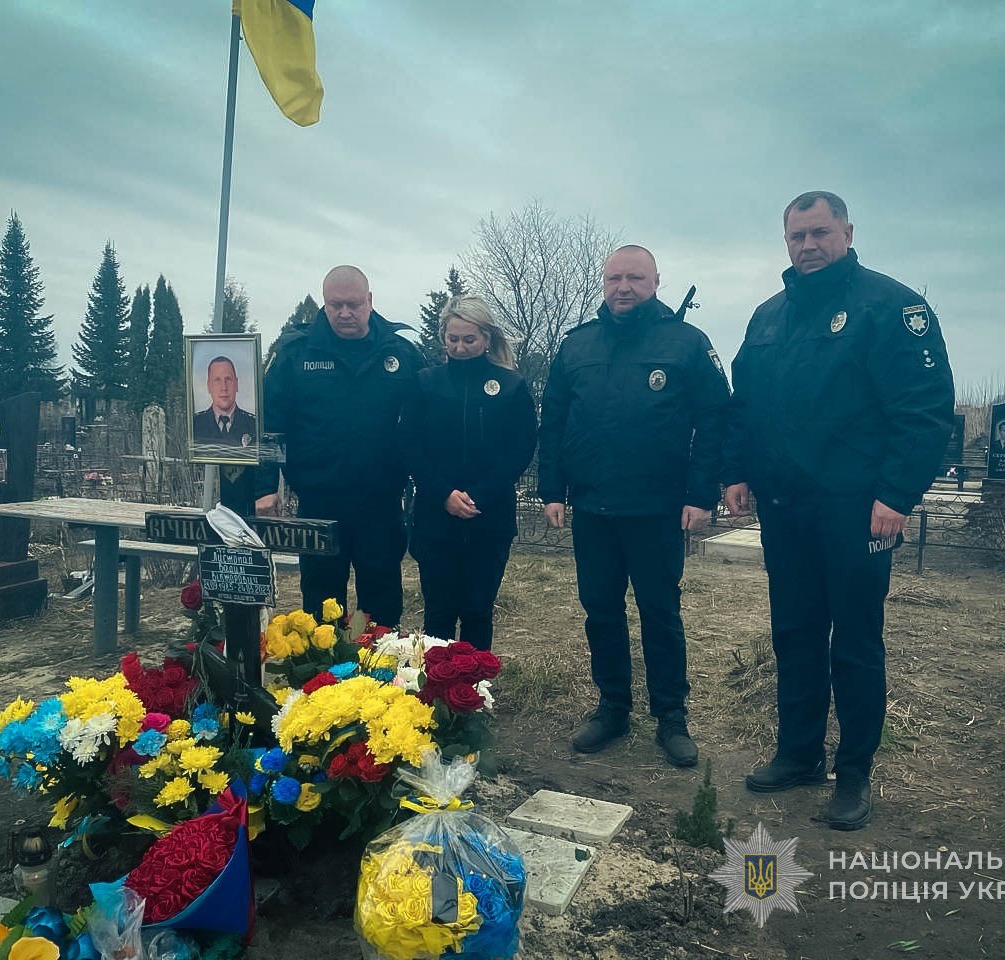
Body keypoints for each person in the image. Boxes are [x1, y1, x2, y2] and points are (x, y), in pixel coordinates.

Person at [722, 191, 955, 830]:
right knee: (795, 634)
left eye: (820, 233)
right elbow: (744, 405)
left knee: (854, 641)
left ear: (848, 233)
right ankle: (799, 754)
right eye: (797, 236)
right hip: (786, 508)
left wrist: (897, 493)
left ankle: (854, 771)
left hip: (858, 509)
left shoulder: (891, 307)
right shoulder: (768, 318)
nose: (808, 245)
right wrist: (735, 471)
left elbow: (925, 409)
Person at [538, 244, 731, 768]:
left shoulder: (687, 342)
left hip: (657, 508)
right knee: (601, 611)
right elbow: (552, 421)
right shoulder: (577, 345)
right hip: (593, 508)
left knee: (660, 613)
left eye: (636, 278)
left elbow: (715, 419)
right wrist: (552, 489)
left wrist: (701, 494)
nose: (624, 287)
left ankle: (671, 717)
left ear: (656, 281)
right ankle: (613, 708)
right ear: (604, 282)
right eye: (615, 278)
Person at [254, 265, 426, 626]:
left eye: (353, 304)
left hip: (380, 501)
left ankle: (378, 662)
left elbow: (428, 419)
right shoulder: (296, 354)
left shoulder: (401, 354)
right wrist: (266, 486)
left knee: (381, 608)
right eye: (335, 305)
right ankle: (325, 663)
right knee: (320, 607)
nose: (345, 313)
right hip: (319, 501)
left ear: (370, 301)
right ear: (324, 303)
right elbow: (270, 423)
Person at [400, 296, 537, 651]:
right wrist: (443, 494)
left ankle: (475, 682)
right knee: (438, 612)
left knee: (478, 611)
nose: (460, 347)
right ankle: (437, 684)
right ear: (443, 338)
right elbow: (410, 445)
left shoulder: (511, 386)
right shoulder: (424, 383)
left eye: (469, 339)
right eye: (453, 339)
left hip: (489, 517)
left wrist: (480, 494)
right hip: (435, 516)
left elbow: (521, 449)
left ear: (487, 338)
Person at [192, 356, 257, 447]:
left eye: (228, 379)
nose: (224, 387)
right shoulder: (194, 425)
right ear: (209, 386)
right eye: (217, 380)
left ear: (236, 384)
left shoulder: (254, 425)